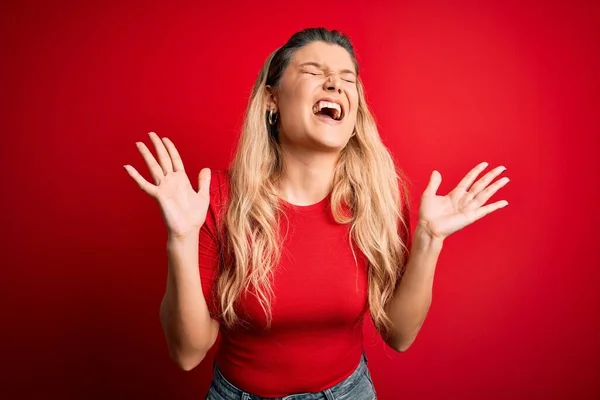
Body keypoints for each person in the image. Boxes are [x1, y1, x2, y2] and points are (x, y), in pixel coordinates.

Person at [123, 27, 510, 400]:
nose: (334, 84)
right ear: (271, 99)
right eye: (313, 72)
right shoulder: (219, 199)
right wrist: (181, 239)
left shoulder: (379, 196)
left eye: (347, 78)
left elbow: (400, 335)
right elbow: (187, 353)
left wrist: (429, 240)